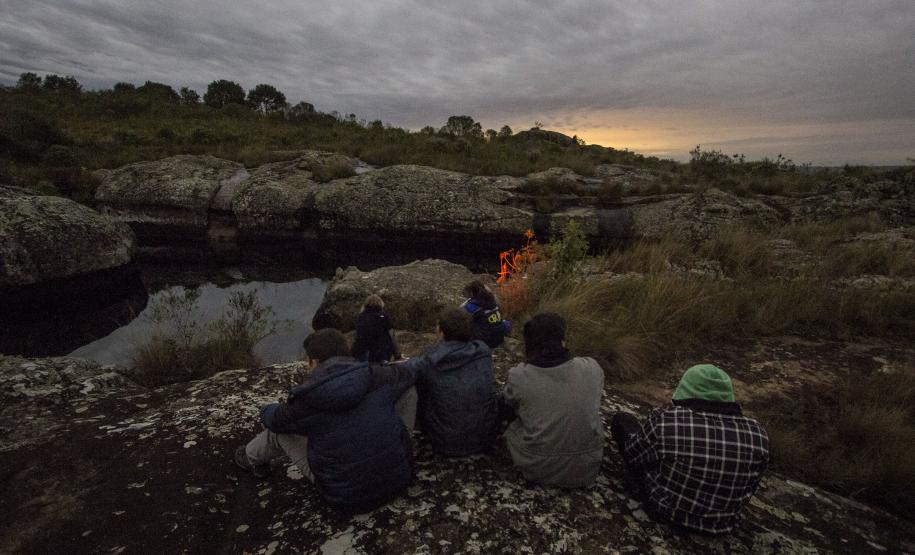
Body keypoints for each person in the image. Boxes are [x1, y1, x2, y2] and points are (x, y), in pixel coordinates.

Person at [234, 328, 417, 512]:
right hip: (397, 482)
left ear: (314, 362)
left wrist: (265, 409)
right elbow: (410, 374)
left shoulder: (308, 400)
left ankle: (249, 457)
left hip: (347, 498)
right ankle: (394, 450)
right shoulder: (377, 375)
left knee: (277, 433)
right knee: (407, 390)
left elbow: (274, 420)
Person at [610, 364, 770, 535]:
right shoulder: (758, 433)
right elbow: (750, 487)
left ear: (685, 388)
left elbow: (634, 456)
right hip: (722, 525)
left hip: (668, 513)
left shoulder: (666, 419)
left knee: (623, 421)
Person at [502, 312, 604, 487]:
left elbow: (507, 406)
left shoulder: (520, 375)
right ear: (562, 340)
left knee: (511, 416)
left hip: (536, 466)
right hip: (586, 467)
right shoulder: (592, 367)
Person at [401, 308, 498, 457]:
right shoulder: (483, 353)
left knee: (412, 385)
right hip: (484, 438)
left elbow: (403, 371)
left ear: (441, 331)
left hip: (445, 442)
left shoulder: (431, 360)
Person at [461, 280, 511, 349]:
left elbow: (460, 317)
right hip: (499, 338)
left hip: (484, 341)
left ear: (472, 293)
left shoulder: (473, 306)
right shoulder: (492, 300)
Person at [351, 294, 397, 363]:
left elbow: (357, 335)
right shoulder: (383, 316)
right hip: (381, 351)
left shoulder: (361, 317)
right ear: (381, 304)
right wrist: (397, 353)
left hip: (363, 351)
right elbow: (391, 335)